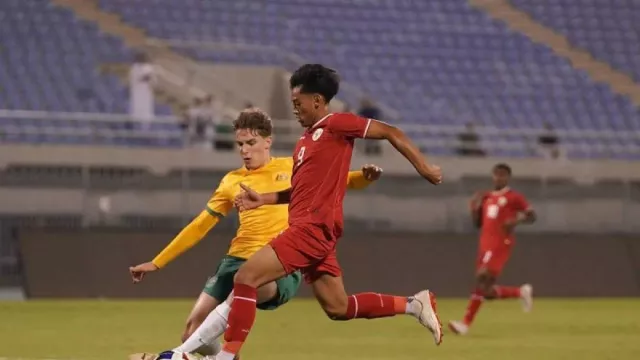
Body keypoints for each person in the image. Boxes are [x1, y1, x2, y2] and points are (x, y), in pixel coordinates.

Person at [215, 64, 443, 360]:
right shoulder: (305, 142)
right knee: (339, 308)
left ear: (318, 101)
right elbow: (301, 191)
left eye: (298, 103)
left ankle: (226, 356)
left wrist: (424, 167)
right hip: (312, 228)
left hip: (312, 229)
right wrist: (265, 199)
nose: (294, 109)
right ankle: (415, 304)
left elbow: (390, 131)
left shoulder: (336, 124)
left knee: (245, 277)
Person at [128, 108, 382, 358]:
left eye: (251, 142)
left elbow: (342, 181)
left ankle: (183, 356)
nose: (244, 150)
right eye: (240, 144)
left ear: (267, 142)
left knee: (247, 285)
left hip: (278, 260)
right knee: (192, 332)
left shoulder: (292, 167)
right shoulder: (231, 181)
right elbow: (200, 225)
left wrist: (365, 177)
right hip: (235, 260)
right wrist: (157, 262)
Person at [448, 163, 536, 335]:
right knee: (486, 291)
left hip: (501, 243)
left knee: (482, 278)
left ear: (508, 177)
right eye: (496, 174)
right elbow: (477, 224)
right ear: (492, 176)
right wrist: (474, 208)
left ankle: (465, 324)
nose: (499, 178)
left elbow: (532, 215)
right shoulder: (486, 197)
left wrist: (515, 221)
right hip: (484, 245)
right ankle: (520, 292)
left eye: (503, 175)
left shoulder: (514, 197)